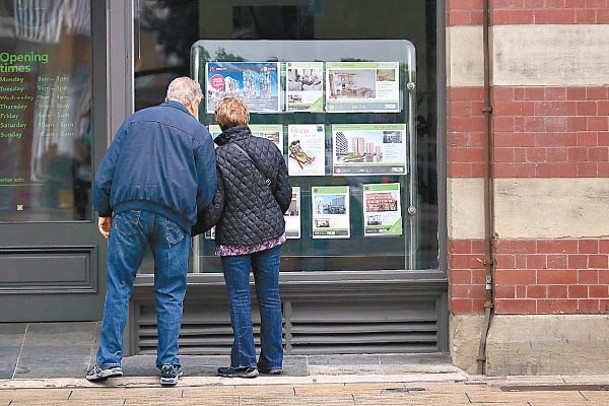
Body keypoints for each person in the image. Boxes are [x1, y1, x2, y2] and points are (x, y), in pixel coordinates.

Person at [86, 77, 217, 386]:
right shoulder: (198, 133)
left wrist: (104, 211)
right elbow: (208, 189)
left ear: (168, 97)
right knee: (170, 290)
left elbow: (106, 174)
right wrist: (189, 220)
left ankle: (108, 362)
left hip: (129, 213)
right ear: (193, 103)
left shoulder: (134, 122)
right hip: (173, 218)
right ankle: (169, 365)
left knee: (119, 285)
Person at [200, 97, 291, 378]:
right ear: (246, 118)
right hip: (270, 235)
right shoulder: (268, 147)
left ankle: (244, 363)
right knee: (270, 298)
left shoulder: (217, 157)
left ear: (220, 123)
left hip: (234, 239)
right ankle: (273, 361)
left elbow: (215, 206)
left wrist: (194, 226)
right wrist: (270, 216)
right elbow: (284, 194)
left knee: (240, 299)